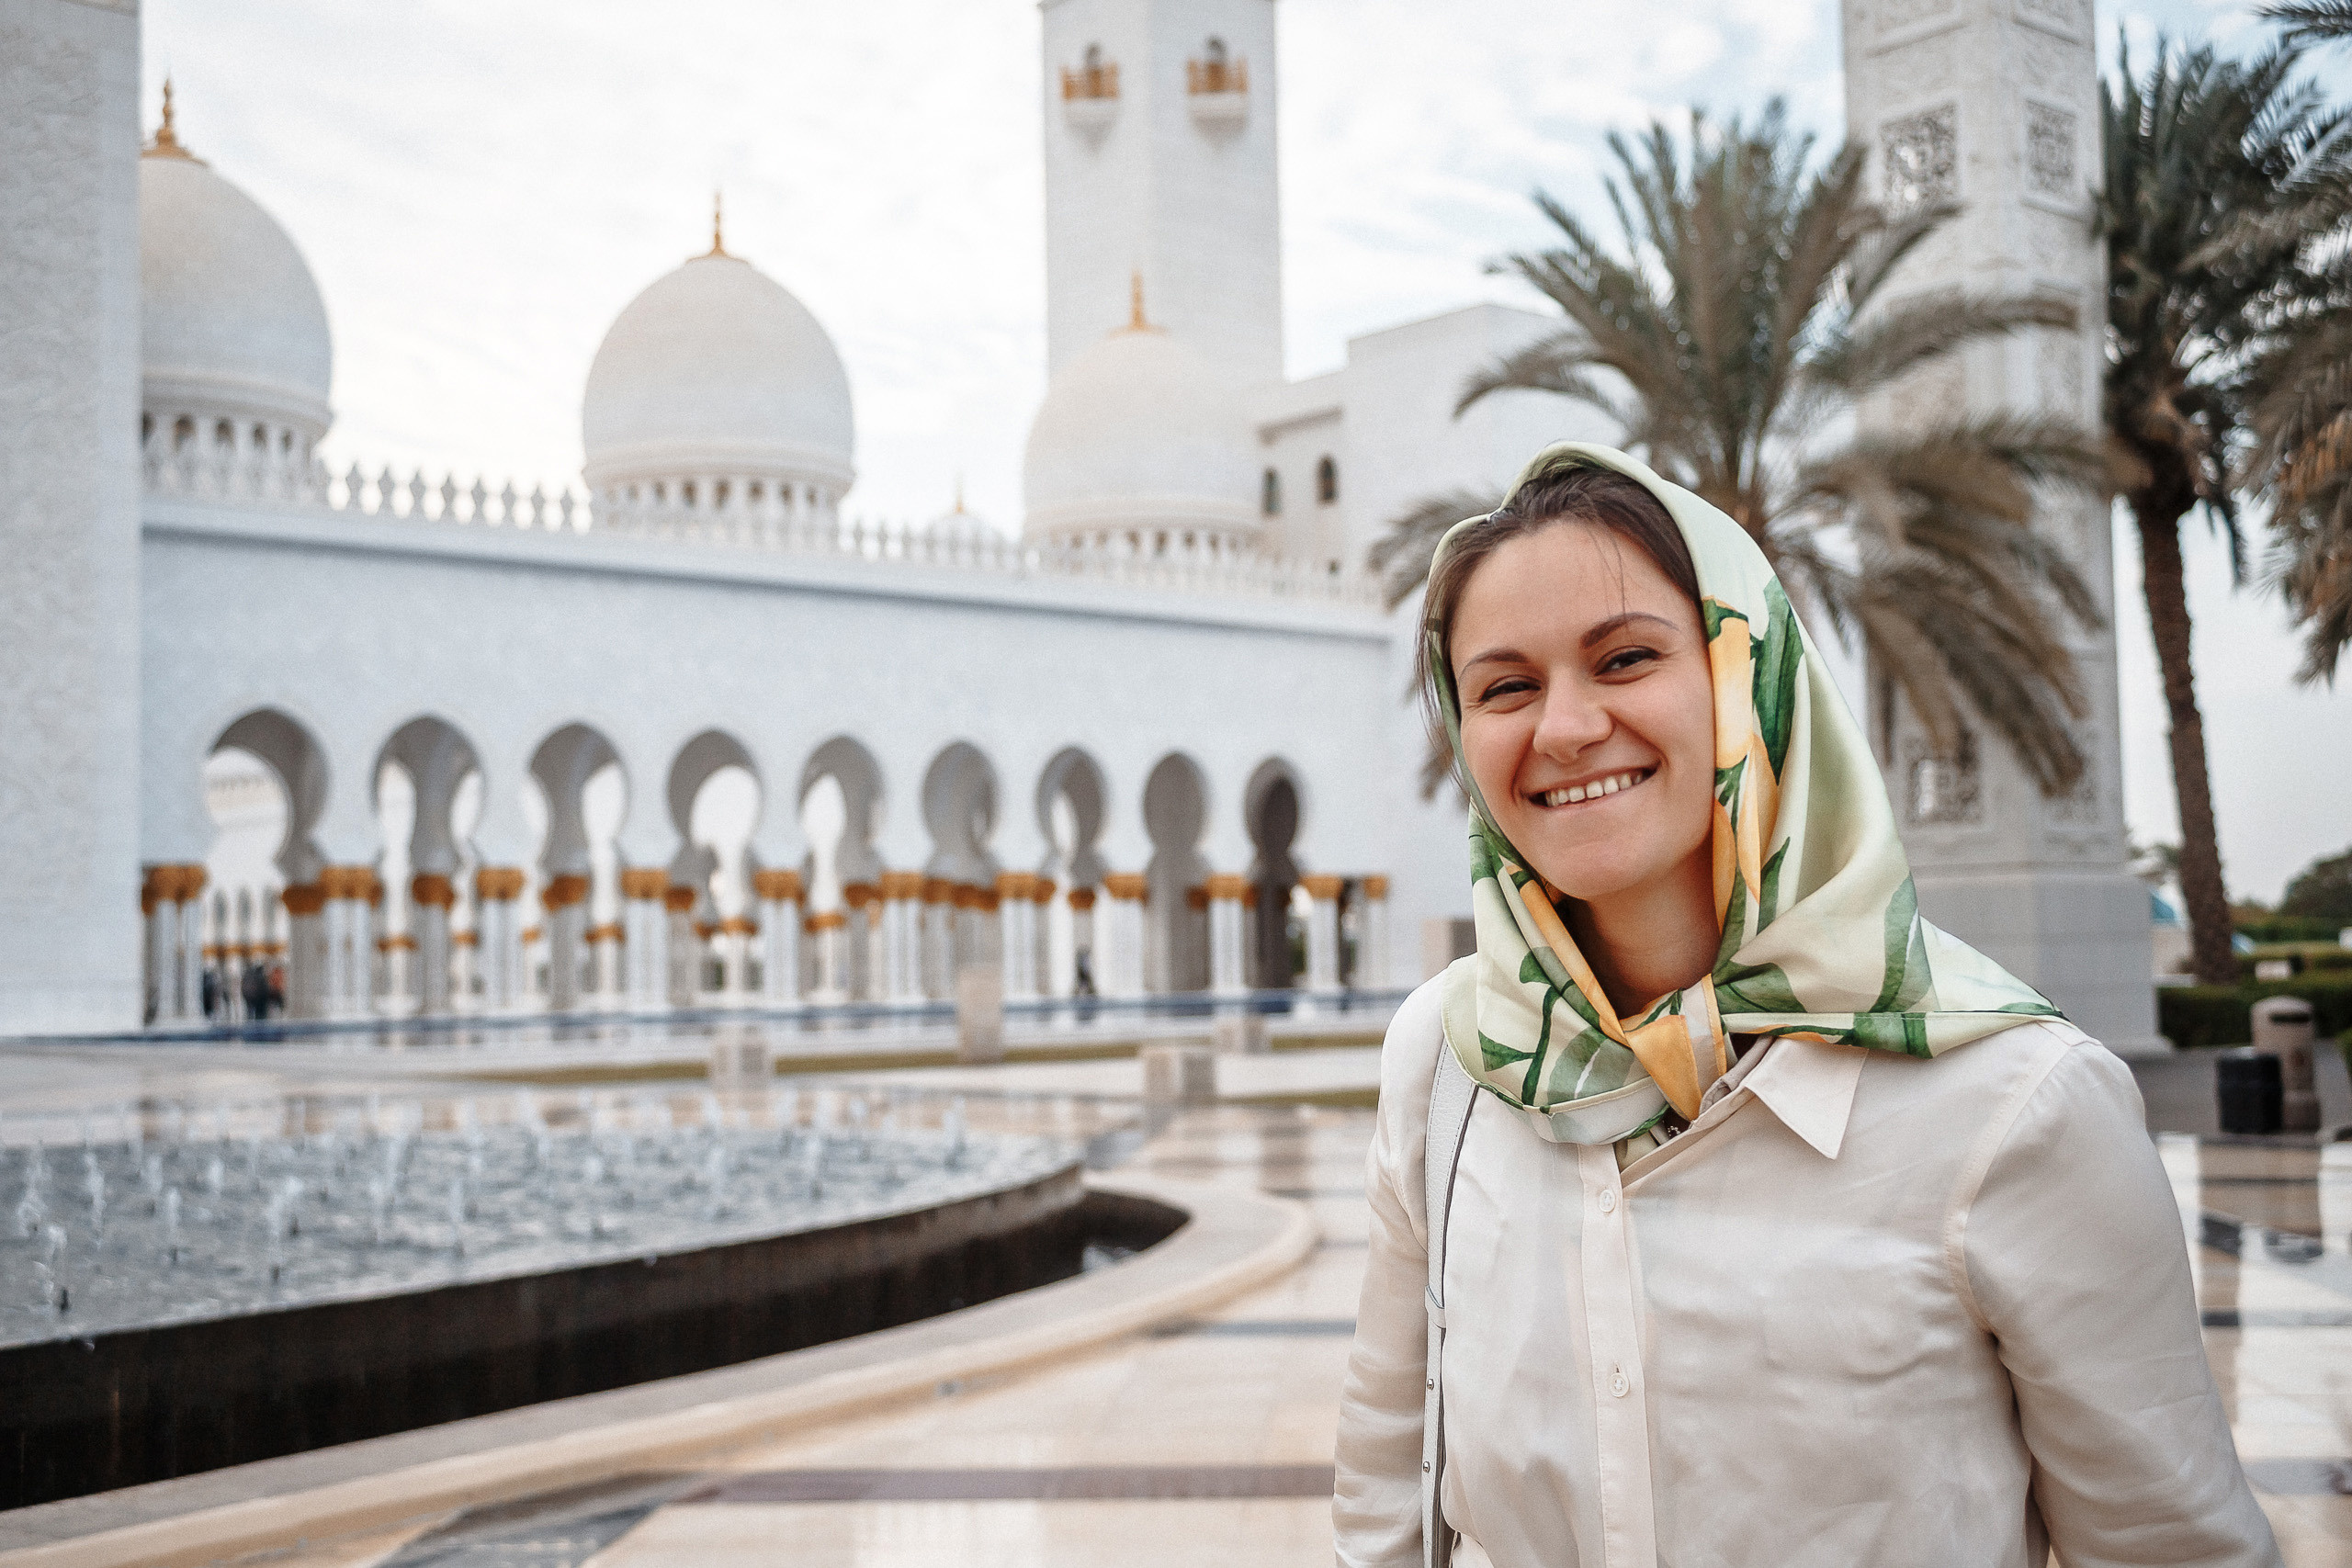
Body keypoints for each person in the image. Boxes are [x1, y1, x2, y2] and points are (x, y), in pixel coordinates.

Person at [1332, 445, 2277, 1567]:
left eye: (1625, 658)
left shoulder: (2011, 1102)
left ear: (1746, 672)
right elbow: (1384, 1503)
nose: (1565, 727)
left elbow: (2171, 1547)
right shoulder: (1450, 1061)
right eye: (1504, 687)